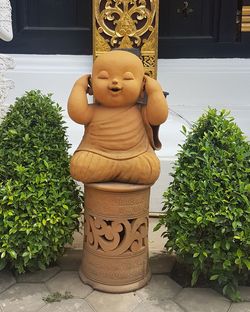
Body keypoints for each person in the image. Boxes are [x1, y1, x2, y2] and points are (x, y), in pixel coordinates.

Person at [68, 50, 168, 184]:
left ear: (142, 85)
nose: (115, 81)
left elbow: (158, 117)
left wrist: (155, 91)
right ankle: (120, 169)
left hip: (135, 155)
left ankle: (115, 169)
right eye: (103, 77)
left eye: (127, 78)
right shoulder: (93, 111)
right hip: (97, 154)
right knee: (79, 166)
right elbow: (77, 114)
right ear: (91, 84)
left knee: (150, 169)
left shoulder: (140, 111)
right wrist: (79, 87)